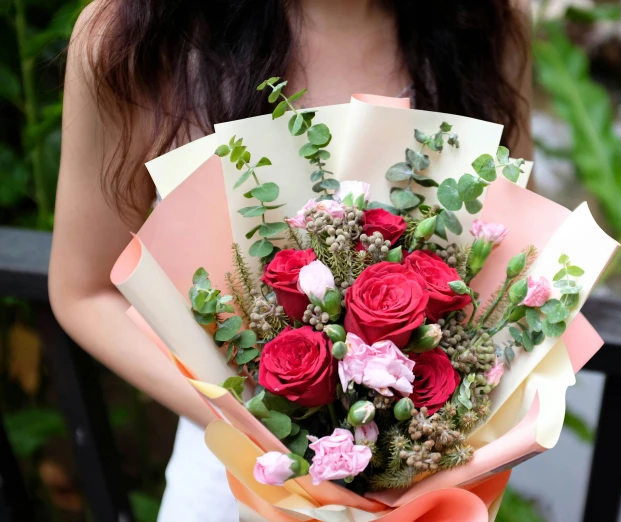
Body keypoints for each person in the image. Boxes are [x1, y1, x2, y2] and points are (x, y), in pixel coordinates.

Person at [49, 0, 533, 520]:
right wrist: (276, 435)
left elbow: (518, 257)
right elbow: (85, 289)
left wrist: (422, 446)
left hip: (425, 490)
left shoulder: (488, 19)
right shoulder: (136, 35)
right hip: (237, 477)